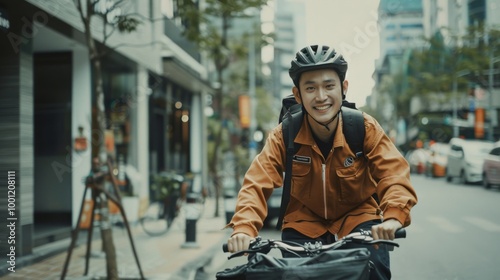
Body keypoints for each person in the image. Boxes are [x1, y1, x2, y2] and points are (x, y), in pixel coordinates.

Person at [225, 45, 418, 279]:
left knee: (374, 270)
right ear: (298, 95)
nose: (321, 97)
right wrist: (244, 229)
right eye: (310, 88)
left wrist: (393, 217)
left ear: (343, 88)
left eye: (329, 86)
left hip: (358, 219)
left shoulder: (363, 127)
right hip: (303, 223)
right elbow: (256, 183)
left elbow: (393, 174)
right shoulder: (283, 135)